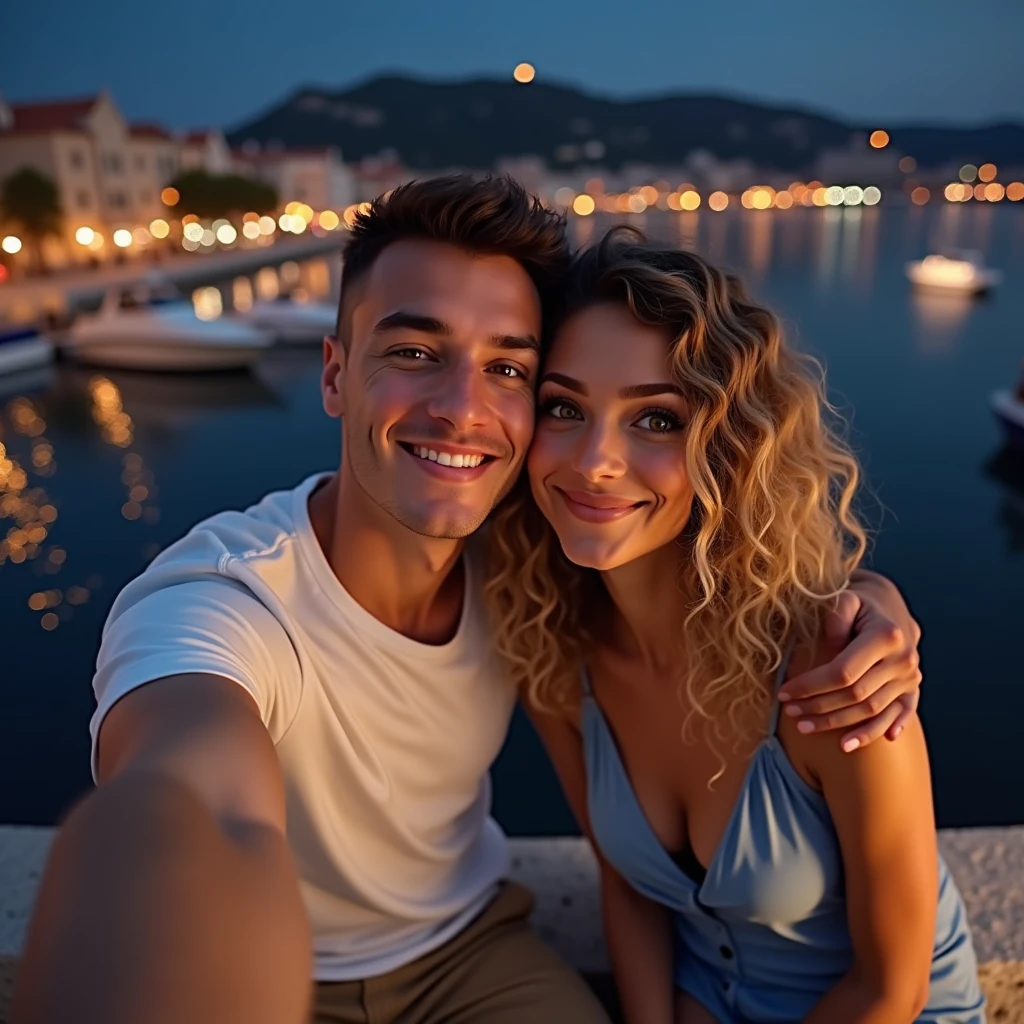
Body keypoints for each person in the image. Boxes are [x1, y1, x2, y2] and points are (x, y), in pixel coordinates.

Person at [13, 178, 924, 1024]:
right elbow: (197, 803)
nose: (461, 408)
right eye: (414, 352)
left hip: (471, 953)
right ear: (334, 373)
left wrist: (863, 599)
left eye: (509, 370)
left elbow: (726, 573)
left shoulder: (529, 562)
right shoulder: (218, 597)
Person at [484, 227, 984, 1023]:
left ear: (729, 446)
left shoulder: (834, 667)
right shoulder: (553, 653)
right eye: (563, 408)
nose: (594, 460)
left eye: (656, 420)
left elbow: (893, 990)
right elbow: (627, 886)